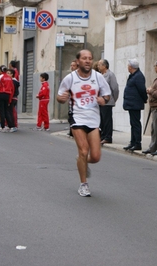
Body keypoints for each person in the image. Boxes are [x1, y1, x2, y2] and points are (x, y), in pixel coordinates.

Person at [57, 49, 111, 197]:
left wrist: (103, 100)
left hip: (93, 118)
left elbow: (107, 94)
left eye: (90, 58)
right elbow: (59, 96)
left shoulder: (98, 77)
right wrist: (62, 98)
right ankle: (83, 184)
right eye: (84, 58)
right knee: (83, 150)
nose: (88, 61)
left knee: (95, 156)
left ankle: (82, 161)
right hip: (77, 117)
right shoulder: (70, 78)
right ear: (78, 61)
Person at [123, 58, 147, 151]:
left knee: (136, 123)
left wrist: (145, 99)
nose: (127, 67)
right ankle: (132, 142)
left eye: (128, 66)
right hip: (131, 103)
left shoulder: (138, 76)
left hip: (135, 104)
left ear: (132, 67)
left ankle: (137, 143)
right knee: (133, 123)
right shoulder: (133, 75)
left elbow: (142, 90)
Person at [97, 59, 119, 144]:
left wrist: (113, 99)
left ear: (104, 66)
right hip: (101, 101)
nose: (98, 66)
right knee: (102, 120)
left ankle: (108, 137)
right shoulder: (101, 75)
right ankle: (102, 135)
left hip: (108, 101)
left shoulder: (110, 75)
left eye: (100, 65)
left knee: (107, 120)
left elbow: (115, 88)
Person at [0, 65, 16, 133]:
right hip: (8, 95)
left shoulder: (0, 77)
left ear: (0, 71)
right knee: (7, 111)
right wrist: (10, 98)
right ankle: (11, 126)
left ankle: (2, 126)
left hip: (1, 94)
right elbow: (12, 88)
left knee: (1, 110)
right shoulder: (9, 78)